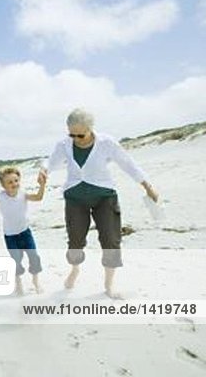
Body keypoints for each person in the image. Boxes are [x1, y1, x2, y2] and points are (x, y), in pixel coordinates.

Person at [40, 108, 159, 298]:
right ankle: (75, 268)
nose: (76, 138)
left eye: (81, 134)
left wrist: (147, 185)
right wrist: (44, 170)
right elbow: (50, 162)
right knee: (75, 241)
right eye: (72, 134)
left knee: (111, 240)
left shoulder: (106, 143)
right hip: (75, 198)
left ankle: (109, 284)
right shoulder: (64, 144)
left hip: (104, 197)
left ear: (90, 128)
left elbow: (127, 163)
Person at [0, 166, 45, 295]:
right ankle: (18, 283)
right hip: (10, 236)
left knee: (34, 256)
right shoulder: (0, 197)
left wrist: (42, 185)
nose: (14, 184)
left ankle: (36, 281)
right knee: (15, 260)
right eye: (10, 182)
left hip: (25, 232)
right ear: (3, 185)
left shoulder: (23, 194)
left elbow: (38, 197)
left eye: (16, 180)